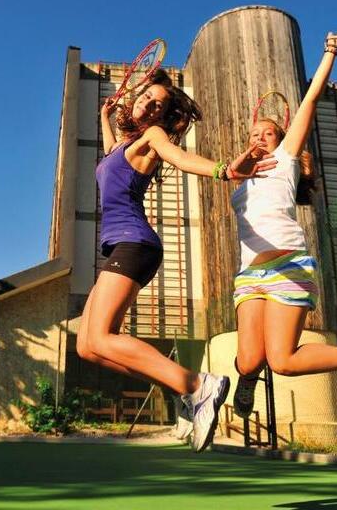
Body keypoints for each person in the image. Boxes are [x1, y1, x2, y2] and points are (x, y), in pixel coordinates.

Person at [76, 68, 276, 452]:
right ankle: (182, 388)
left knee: (102, 336)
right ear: (134, 100)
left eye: (159, 105)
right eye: (146, 97)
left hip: (135, 244)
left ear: (162, 117)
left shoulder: (152, 138)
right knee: (87, 346)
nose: (150, 105)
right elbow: (108, 157)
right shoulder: (123, 145)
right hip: (120, 248)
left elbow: (180, 158)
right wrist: (104, 116)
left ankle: (200, 385)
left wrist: (225, 170)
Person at [227, 28, 337, 420]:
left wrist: (332, 50)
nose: (262, 136)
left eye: (269, 132)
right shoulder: (238, 181)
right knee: (247, 360)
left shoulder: (287, 160)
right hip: (248, 276)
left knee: (283, 360)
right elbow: (227, 172)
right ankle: (245, 377)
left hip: (287, 265)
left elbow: (310, 98)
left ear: (281, 138)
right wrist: (240, 162)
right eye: (255, 132)